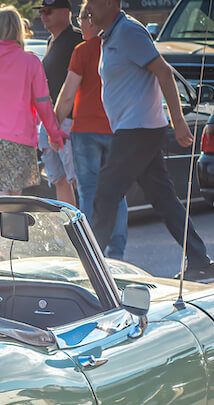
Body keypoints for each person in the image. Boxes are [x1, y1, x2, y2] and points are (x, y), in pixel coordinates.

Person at [83, 0, 214, 281]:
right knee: (164, 200)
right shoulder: (110, 36)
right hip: (135, 130)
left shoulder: (130, 31)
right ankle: (201, 263)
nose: (88, 9)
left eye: (93, 2)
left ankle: (88, 272)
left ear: (110, 3)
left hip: (138, 131)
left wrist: (178, 121)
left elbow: (164, 72)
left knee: (105, 196)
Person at [0, 6, 67, 196]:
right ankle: (15, 227)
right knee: (15, 200)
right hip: (22, 140)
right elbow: (43, 103)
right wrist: (54, 134)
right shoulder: (31, 62)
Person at [54, 6, 126, 257]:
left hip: (85, 131)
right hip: (118, 129)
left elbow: (67, 95)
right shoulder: (120, 47)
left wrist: (54, 126)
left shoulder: (82, 51)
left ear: (93, 19)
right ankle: (116, 253)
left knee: (88, 192)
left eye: (82, 18)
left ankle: (93, 253)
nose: (80, 23)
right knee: (117, 193)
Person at [38, 0, 80, 204]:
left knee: (77, 179)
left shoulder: (78, 39)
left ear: (66, 12)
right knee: (58, 178)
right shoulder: (50, 41)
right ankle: (68, 227)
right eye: (41, 11)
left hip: (70, 121)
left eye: (48, 11)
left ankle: (87, 230)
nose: (43, 16)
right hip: (49, 120)